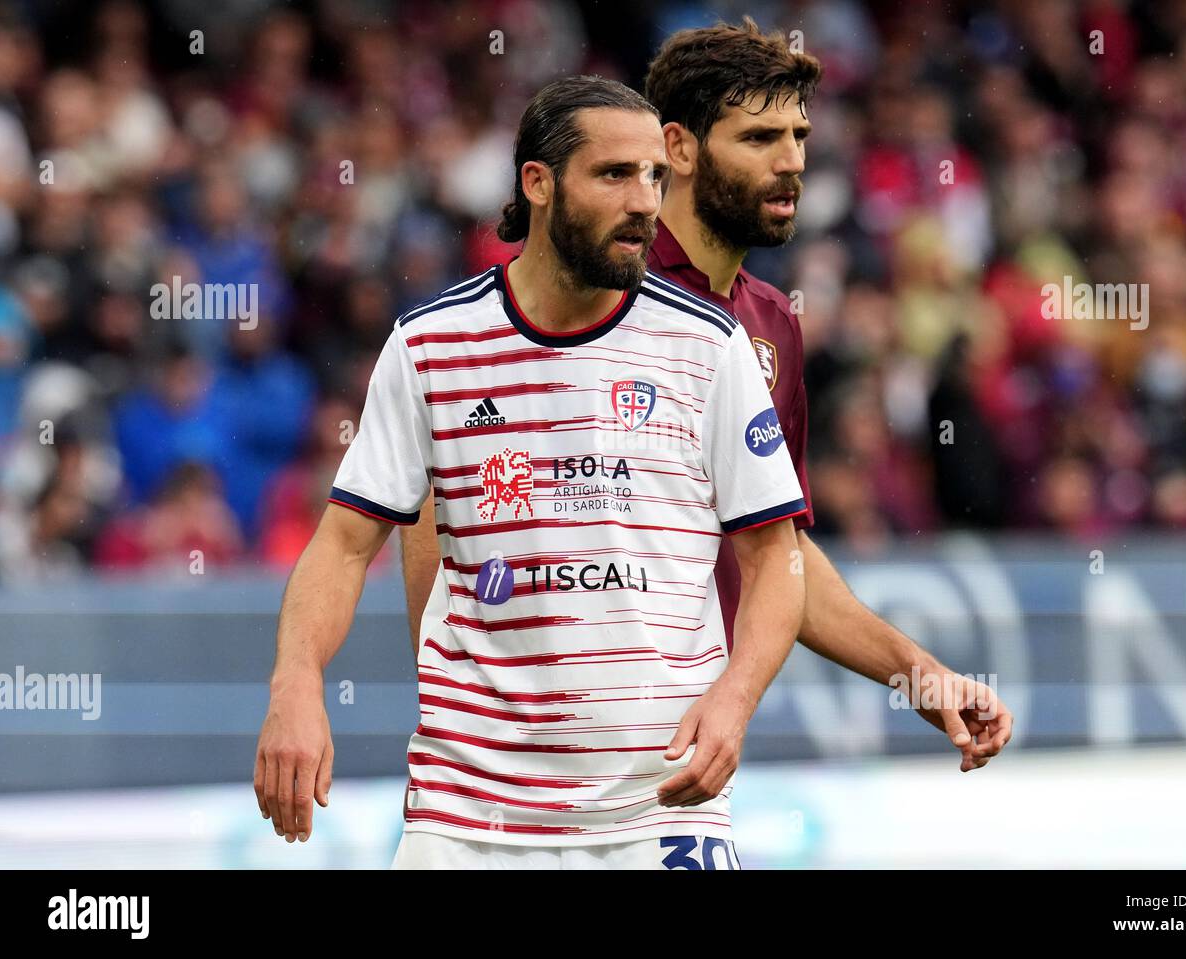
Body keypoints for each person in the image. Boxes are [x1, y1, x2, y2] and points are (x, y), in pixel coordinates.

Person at [402, 19, 1015, 776]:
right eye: (759, 139)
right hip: (519, 763)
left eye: (799, 135)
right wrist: (456, 689)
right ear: (679, 150)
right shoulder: (594, 285)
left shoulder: (771, 325)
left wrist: (921, 675)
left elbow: (776, 551)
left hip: (670, 749)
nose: (791, 162)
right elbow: (442, 486)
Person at [254, 75, 808, 869]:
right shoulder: (431, 344)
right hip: (468, 814)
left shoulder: (709, 347)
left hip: (657, 808)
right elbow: (344, 544)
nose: (646, 200)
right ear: (538, 183)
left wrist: (736, 696)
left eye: (655, 175)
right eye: (615, 174)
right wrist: (296, 685)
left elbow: (776, 557)